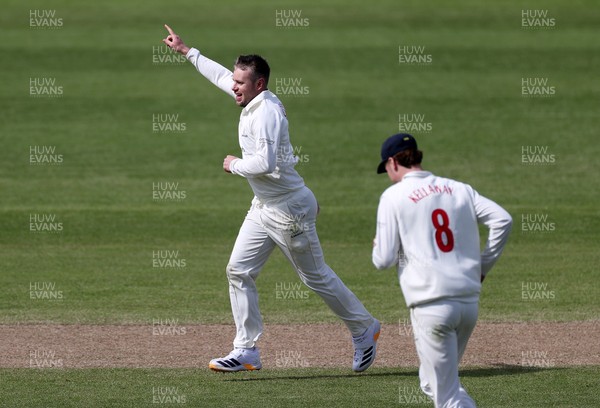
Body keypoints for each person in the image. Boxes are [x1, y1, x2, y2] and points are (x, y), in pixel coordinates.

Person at [162, 24, 380, 373]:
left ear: (258, 84)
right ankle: (246, 350)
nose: (233, 85)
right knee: (238, 270)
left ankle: (364, 328)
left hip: (288, 210)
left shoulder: (266, 113)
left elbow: (266, 163)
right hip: (264, 207)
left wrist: (234, 165)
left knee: (316, 277)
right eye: (235, 80)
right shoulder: (251, 98)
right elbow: (221, 77)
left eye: (241, 82)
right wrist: (187, 51)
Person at [372, 134, 512, 407]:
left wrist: (379, 245)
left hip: (431, 306)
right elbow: (502, 219)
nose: (387, 174)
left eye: (386, 168)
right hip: (468, 304)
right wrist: (483, 267)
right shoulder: (459, 189)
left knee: (445, 397)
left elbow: (383, 260)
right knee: (432, 382)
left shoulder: (394, 196)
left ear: (392, 162)